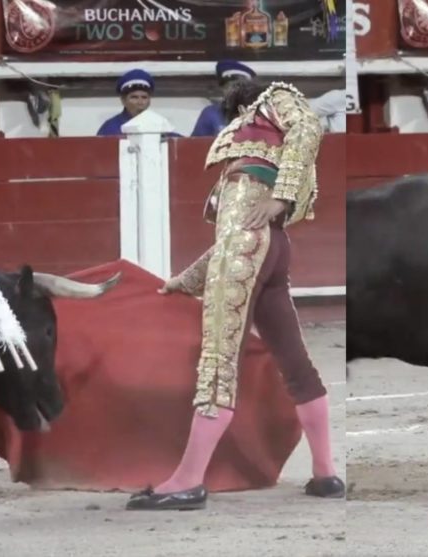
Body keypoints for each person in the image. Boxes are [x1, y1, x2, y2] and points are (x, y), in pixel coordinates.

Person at [126, 80, 344, 511]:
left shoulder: (273, 100)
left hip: (255, 244)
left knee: (219, 359)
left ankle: (188, 480)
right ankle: (325, 474)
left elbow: (307, 126)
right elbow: (231, 242)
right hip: (270, 248)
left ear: (242, 106)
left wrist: (281, 198)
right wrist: (184, 281)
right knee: (295, 363)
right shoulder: (253, 155)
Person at [190, 60, 256, 137]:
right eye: (228, 87)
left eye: (238, 87)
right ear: (223, 89)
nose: (232, 92)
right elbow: (196, 144)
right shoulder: (211, 113)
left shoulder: (261, 112)